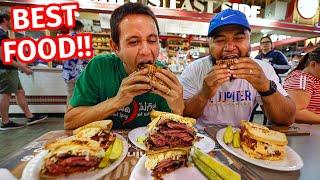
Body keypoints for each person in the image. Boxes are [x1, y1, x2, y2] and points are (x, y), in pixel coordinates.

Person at [64, 3, 184, 130]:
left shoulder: (164, 78)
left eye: (152, 40)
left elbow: (172, 132)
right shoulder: (99, 67)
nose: (146, 51)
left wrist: (178, 109)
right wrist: (117, 101)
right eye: (133, 42)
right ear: (116, 47)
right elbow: (70, 122)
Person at [179, 9, 295, 127]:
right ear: (209, 44)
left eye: (238, 38)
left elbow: (287, 119)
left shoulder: (263, 69)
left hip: (242, 140)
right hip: (202, 140)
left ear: (249, 40)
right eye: (220, 40)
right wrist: (203, 94)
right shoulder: (194, 70)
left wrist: (265, 87)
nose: (229, 48)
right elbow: (181, 116)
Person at [0, 13, 47, 130]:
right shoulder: (1, 35)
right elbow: (4, 58)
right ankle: (5, 122)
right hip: (6, 70)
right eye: (12, 21)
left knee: (20, 92)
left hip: (10, 70)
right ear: (5, 20)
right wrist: (23, 68)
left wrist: (21, 65)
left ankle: (29, 116)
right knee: (6, 94)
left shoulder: (4, 35)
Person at [283, 47, 320, 124]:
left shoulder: (315, 77)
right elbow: (296, 112)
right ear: (313, 64)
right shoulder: (302, 80)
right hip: (307, 132)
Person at [62, 20, 88, 107]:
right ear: (80, 29)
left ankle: (69, 118)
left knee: (70, 96)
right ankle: (78, 118)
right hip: (79, 74)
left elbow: (61, 59)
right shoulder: (83, 40)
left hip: (68, 75)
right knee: (80, 98)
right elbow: (88, 58)